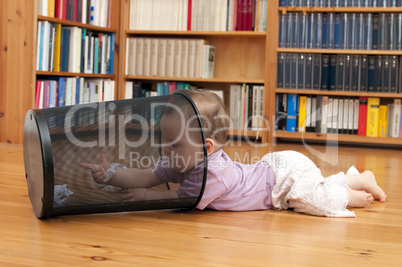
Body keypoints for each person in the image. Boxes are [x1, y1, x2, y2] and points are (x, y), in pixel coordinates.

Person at [80, 89, 387, 218]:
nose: (165, 149)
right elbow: (145, 176)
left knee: (312, 202)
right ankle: (354, 177)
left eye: (174, 143)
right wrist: (111, 174)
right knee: (313, 191)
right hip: (272, 168)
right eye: (163, 139)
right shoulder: (181, 160)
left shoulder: (212, 174)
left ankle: (351, 190)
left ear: (207, 148)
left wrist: (146, 198)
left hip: (282, 179)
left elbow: (177, 199)